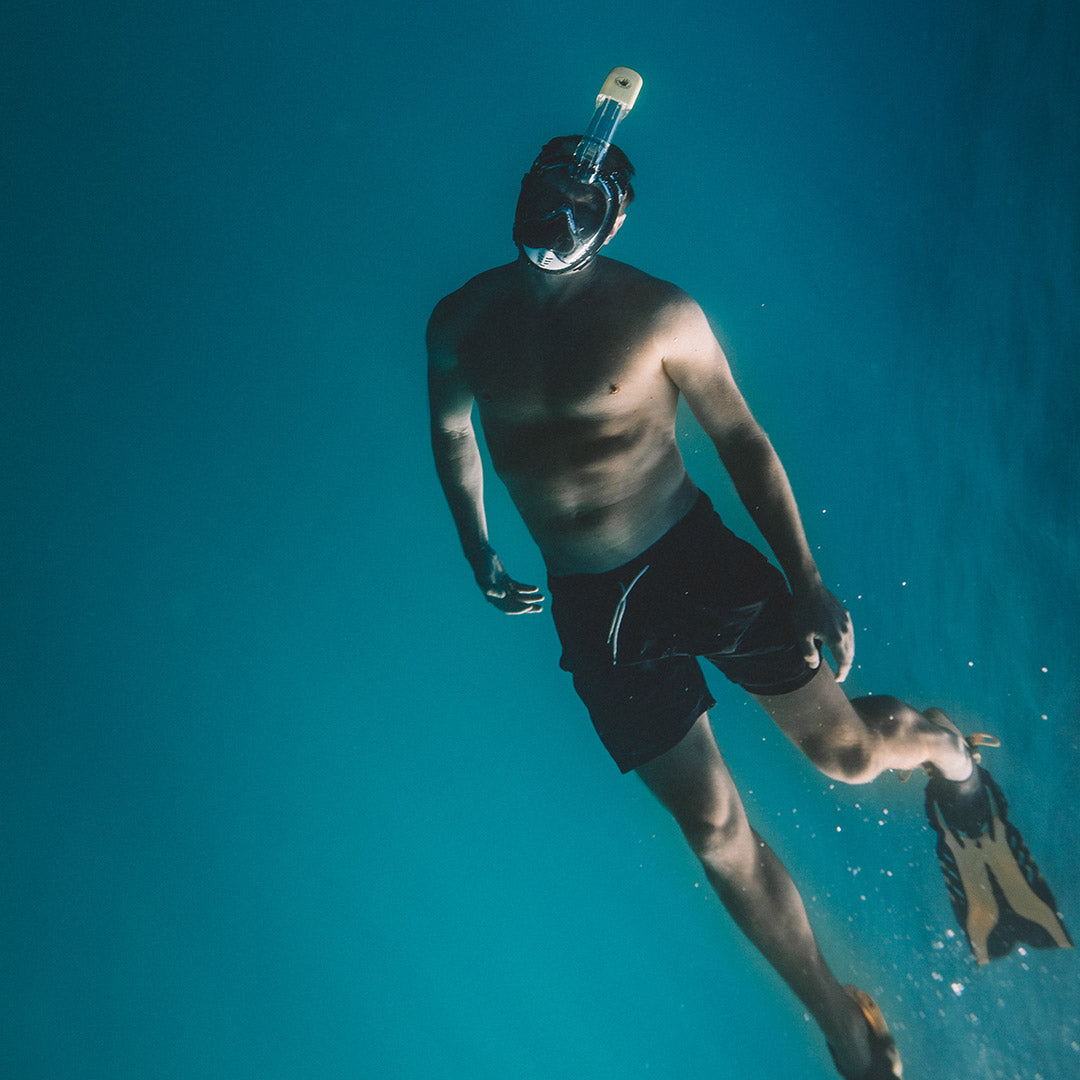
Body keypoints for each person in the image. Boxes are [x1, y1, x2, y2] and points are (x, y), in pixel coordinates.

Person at [427, 89, 1070, 1078]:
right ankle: (841, 1026)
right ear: (526, 191)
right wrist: (478, 549)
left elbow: (742, 442)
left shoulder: (658, 315)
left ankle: (947, 753)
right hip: (595, 613)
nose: (557, 213)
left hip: (693, 558)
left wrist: (807, 582)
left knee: (847, 757)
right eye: (545, 190)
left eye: (578, 198)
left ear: (612, 216)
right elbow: (452, 434)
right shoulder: (460, 322)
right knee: (715, 832)